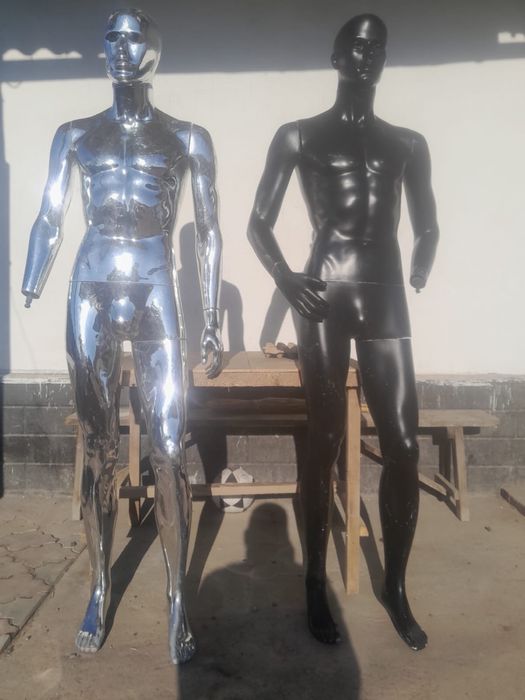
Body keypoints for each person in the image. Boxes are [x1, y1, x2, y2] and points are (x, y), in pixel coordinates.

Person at [22, 8, 223, 664]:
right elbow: (50, 216)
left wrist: (212, 317)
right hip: (91, 287)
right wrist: (31, 280)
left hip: (156, 288)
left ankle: (176, 597)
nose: (120, 47)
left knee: (167, 449)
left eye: (134, 37)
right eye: (111, 36)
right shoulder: (76, 135)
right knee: (99, 449)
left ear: (155, 50)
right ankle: (100, 585)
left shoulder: (187, 138)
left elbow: (208, 231)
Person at [247, 14, 439, 650]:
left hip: (385, 294)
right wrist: (285, 278)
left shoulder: (407, 144)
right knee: (325, 438)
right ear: (336, 56)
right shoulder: (299, 135)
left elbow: (427, 222)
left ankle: (397, 587)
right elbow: (258, 223)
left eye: (377, 47)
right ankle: (313, 582)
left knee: (403, 444)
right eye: (356, 46)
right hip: (323, 292)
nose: (367, 56)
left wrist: (423, 259)